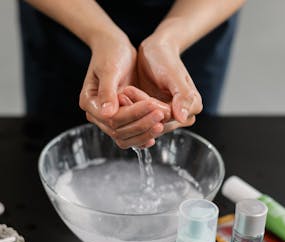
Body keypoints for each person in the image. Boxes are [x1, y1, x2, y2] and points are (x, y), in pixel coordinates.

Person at [19, 0, 244, 148]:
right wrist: (100, 34)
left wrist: (169, 40)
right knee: (55, 137)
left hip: (196, 17)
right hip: (68, 18)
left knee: (184, 131)